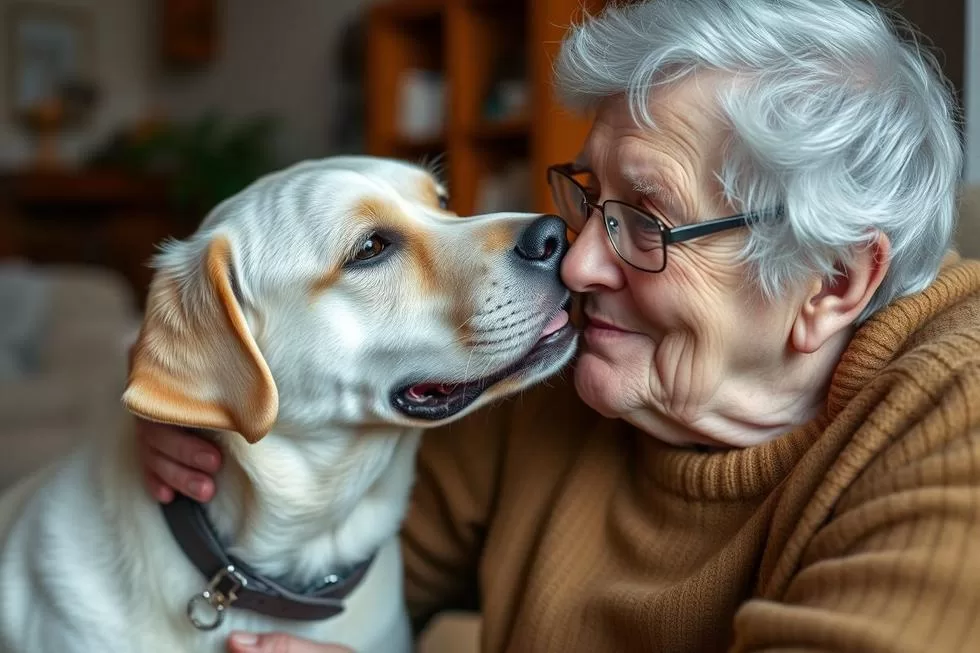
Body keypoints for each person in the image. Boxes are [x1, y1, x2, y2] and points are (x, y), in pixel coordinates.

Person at [138, 0, 980, 651]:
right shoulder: (564, 372)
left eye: (647, 220)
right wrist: (195, 426)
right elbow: (304, 538)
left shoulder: (958, 407)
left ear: (832, 281)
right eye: (589, 196)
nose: (576, 265)